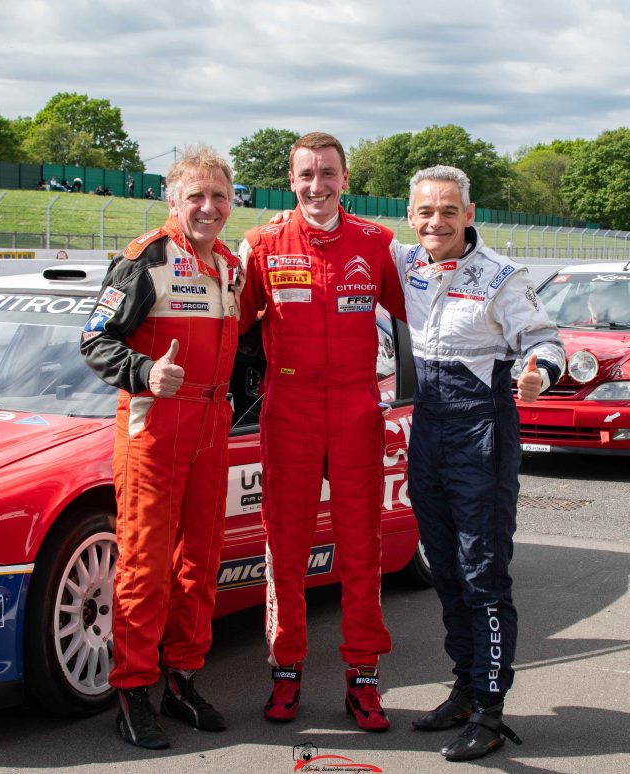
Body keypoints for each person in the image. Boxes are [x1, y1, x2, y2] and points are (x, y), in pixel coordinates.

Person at [390, 166, 565, 761]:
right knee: (443, 568)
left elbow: (547, 342)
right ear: (409, 217)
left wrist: (538, 372)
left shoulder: (502, 278)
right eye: (423, 212)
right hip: (428, 431)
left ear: (469, 215)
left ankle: (491, 709)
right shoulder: (405, 262)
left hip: (482, 432)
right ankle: (464, 688)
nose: (434, 222)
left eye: (446, 211)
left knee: (482, 573)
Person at [238, 132, 406, 732]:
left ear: (345, 177)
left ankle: (363, 677)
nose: (317, 186)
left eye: (328, 173)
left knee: (363, 548)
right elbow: (227, 325)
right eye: (306, 174)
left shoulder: (378, 243)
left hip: (358, 407)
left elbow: (430, 315)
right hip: (290, 409)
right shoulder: (261, 245)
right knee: (285, 548)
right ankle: (286, 672)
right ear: (291, 179)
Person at [81, 144, 243, 750]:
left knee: (201, 559)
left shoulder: (231, 264)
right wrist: (146, 372)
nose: (208, 207)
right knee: (146, 563)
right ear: (172, 200)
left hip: (211, 423)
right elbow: (95, 341)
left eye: (218, 197)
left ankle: (183, 679)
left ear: (232, 202)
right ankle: (132, 690)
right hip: (154, 426)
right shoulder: (145, 258)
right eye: (195, 196)